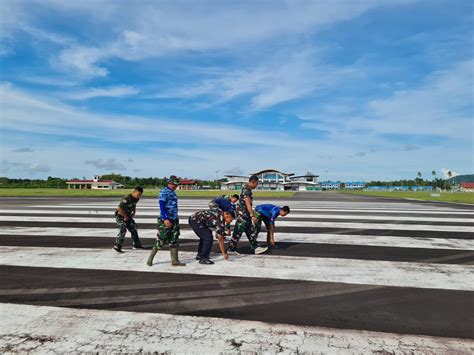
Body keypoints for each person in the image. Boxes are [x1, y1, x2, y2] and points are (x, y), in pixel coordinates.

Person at [147, 176, 185, 266]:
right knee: (161, 239)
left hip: (174, 219)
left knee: (174, 240)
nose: (176, 187)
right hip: (166, 220)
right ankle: (150, 259)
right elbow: (161, 205)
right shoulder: (164, 192)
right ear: (170, 183)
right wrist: (165, 219)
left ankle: (175, 261)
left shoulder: (173, 192)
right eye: (174, 185)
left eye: (176, 185)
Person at [227, 175, 268, 255]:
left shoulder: (245, 187)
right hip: (244, 214)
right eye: (257, 183)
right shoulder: (247, 190)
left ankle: (256, 247)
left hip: (245, 214)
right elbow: (247, 203)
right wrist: (252, 215)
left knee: (250, 231)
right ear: (253, 182)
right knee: (238, 231)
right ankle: (231, 249)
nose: (257, 185)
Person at [113, 186, 144, 253]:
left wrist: (134, 211)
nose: (139, 196)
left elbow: (134, 205)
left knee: (133, 228)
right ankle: (117, 246)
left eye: (140, 195)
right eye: (138, 194)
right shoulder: (127, 198)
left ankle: (136, 245)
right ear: (134, 192)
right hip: (120, 215)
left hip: (127, 215)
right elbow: (119, 208)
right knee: (123, 228)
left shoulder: (136, 198)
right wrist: (125, 216)